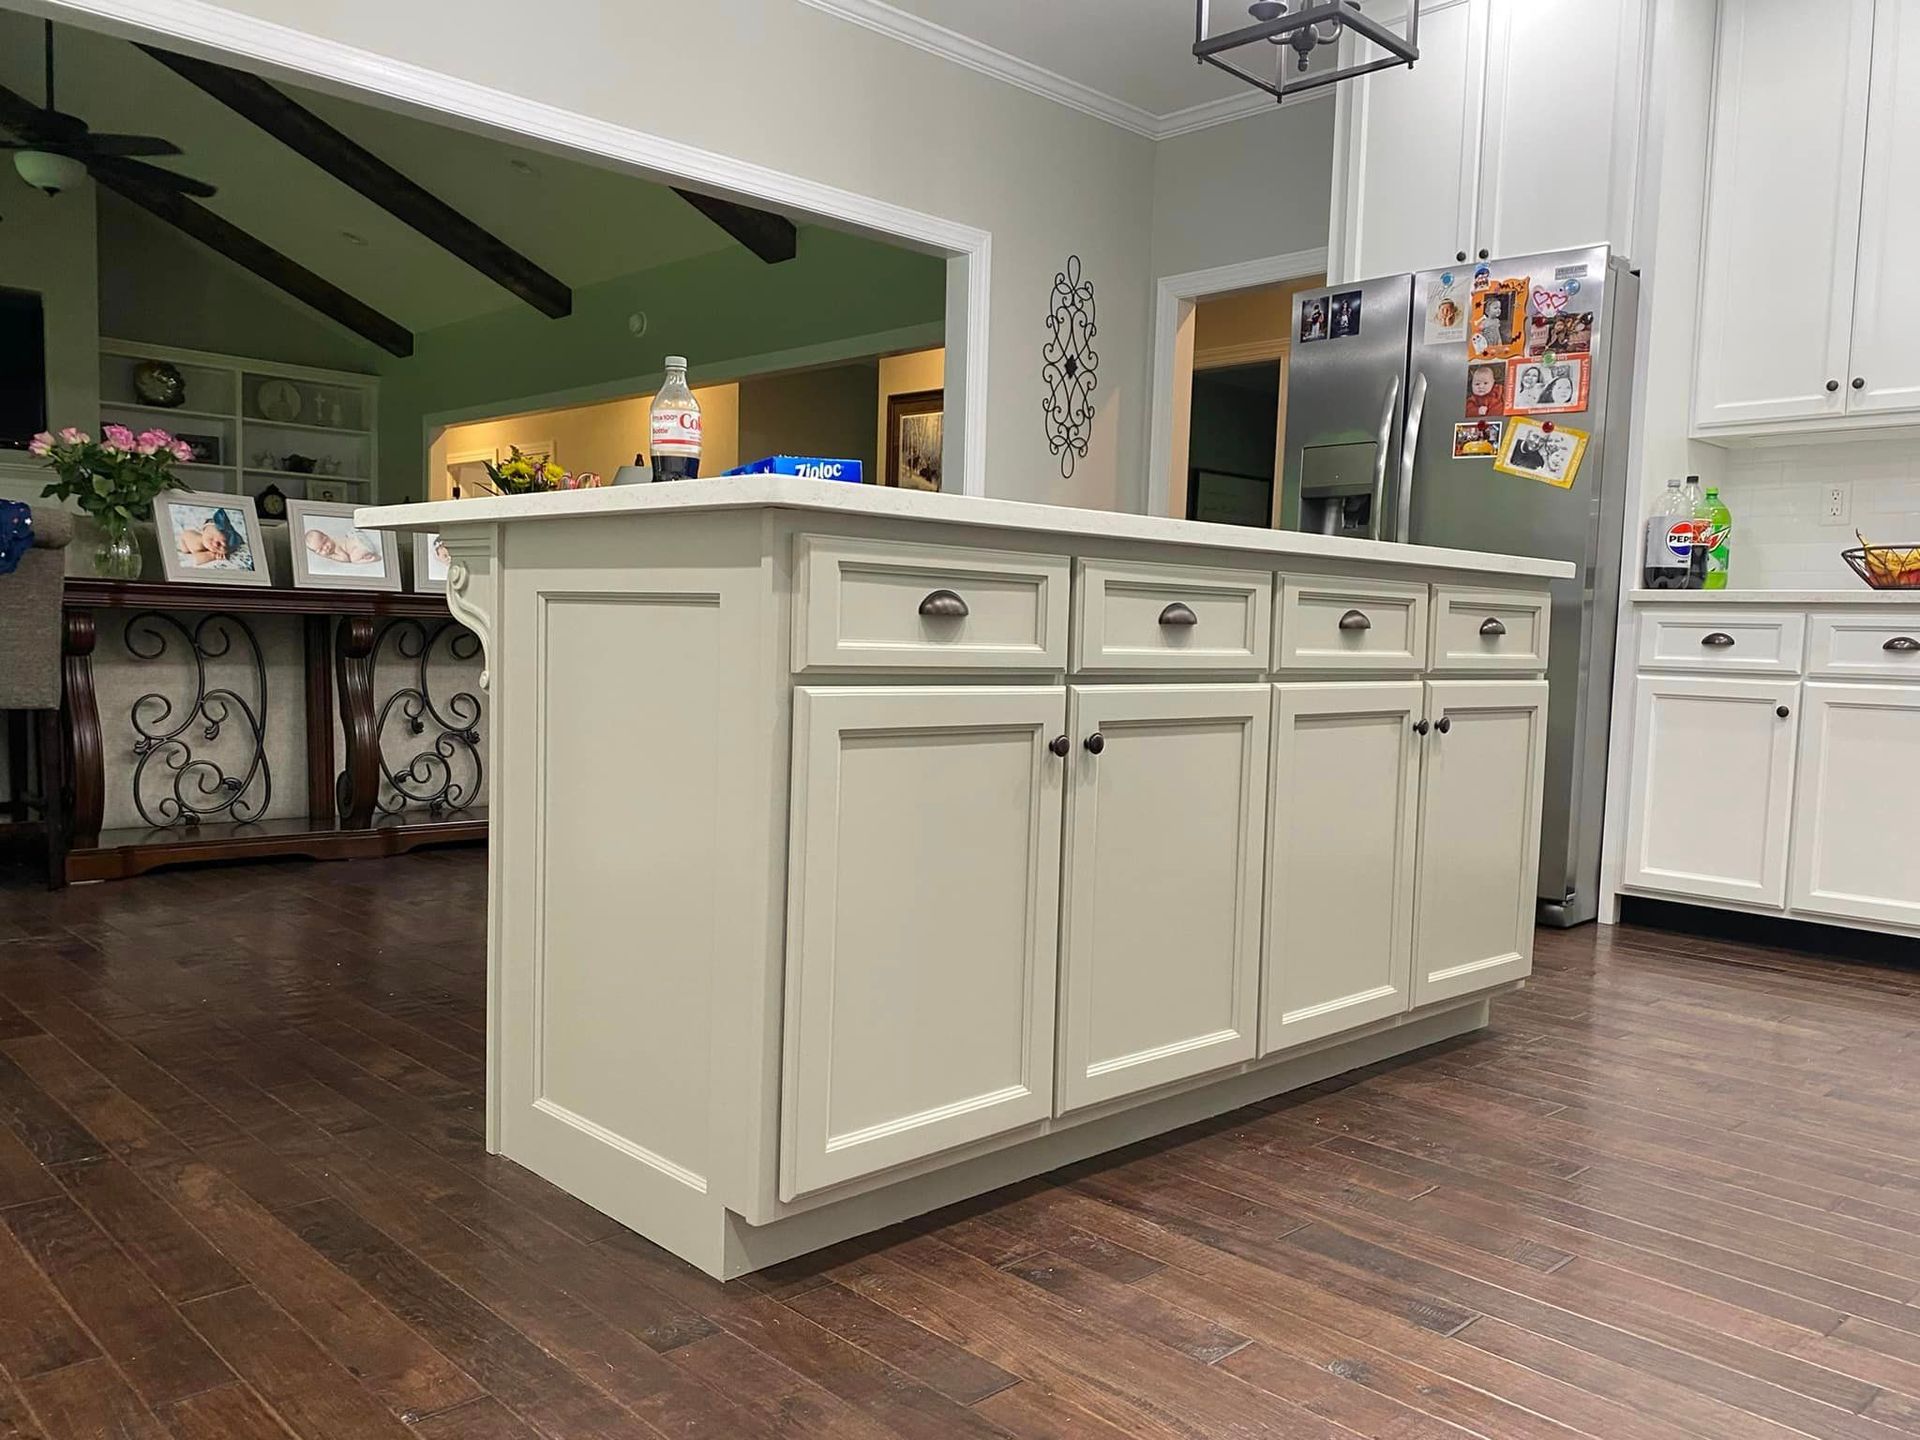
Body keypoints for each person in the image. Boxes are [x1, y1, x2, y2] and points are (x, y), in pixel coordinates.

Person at [176, 508, 247, 568]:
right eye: (212, 538)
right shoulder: (195, 539)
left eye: (221, 547)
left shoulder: (209, 549)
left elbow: (195, 559)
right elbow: (195, 559)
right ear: (205, 528)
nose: (216, 544)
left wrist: (213, 556)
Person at [305, 525, 381, 565]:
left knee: (354, 559)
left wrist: (330, 556)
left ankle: (372, 558)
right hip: (358, 539)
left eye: (325, 542)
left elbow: (346, 559)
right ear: (318, 553)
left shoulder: (336, 548)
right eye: (321, 549)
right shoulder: (334, 541)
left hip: (362, 545)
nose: (326, 548)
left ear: (327, 536)